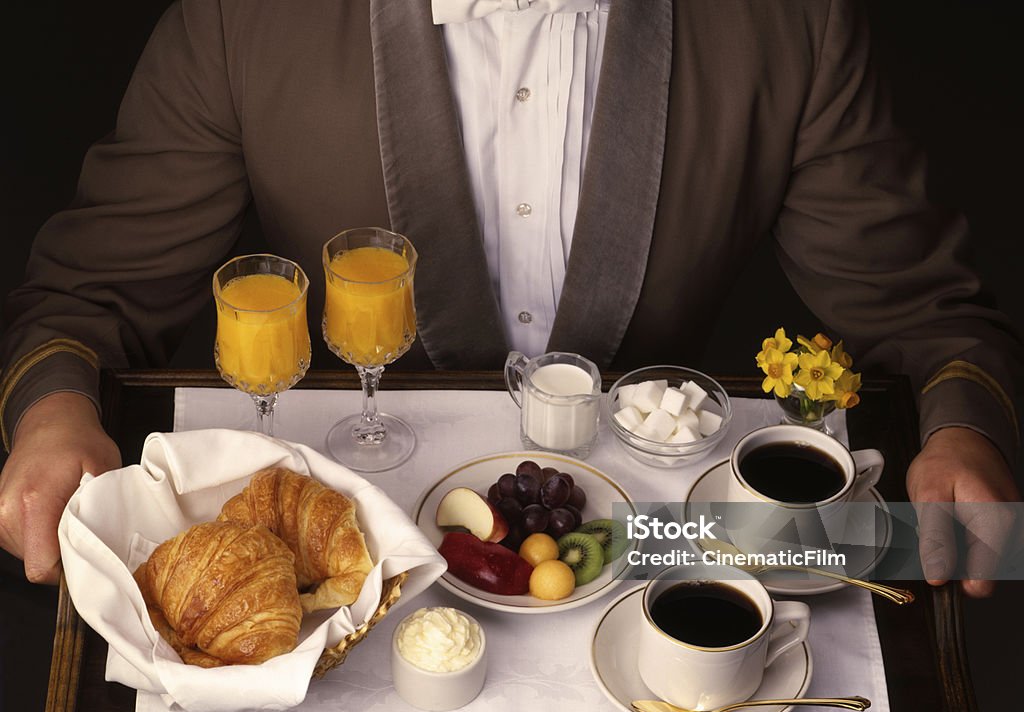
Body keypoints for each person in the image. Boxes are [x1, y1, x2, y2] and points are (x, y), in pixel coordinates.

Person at [0, 0, 1020, 591]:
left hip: (654, 561)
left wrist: (964, 427)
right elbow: (92, 288)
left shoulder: (790, 22)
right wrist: (53, 410)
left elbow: (923, 313)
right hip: (345, 553)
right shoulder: (238, 18)